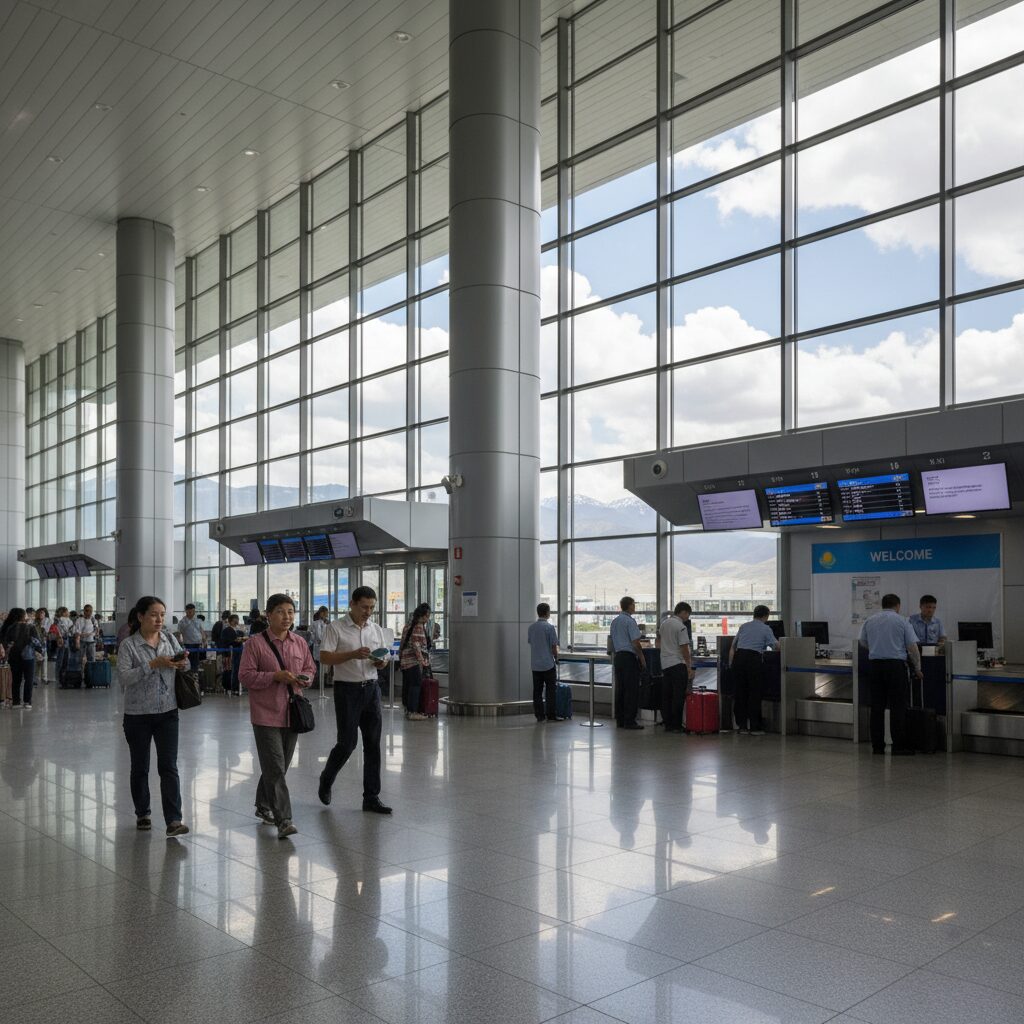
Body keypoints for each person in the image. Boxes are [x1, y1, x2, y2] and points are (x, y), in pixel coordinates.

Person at [237, 593, 315, 839]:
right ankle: (284, 820)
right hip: (265, 714)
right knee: (275, 768)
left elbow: (310, 669)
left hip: (292, 712)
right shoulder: (255, 644)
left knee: (278, 766)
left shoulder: (299, 642)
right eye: (281, 611)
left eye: (291, 611)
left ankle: (263, 804)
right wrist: (274, 676)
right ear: (268, 615)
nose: (287, 616)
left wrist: (304, 678)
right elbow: (246, 676)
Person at [116, 595, 191, 835]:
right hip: (138, 715)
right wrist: (152, 665)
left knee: (169, 766)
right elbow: (124, 677)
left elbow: (186, 666)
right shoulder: (129, 645)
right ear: (140, 617)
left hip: (168, 712)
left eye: (162, 614)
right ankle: (143, 813)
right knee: (140, 766)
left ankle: (174, 820)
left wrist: (181, 663)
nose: (159, 619)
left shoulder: (169, 638)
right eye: (153, 614)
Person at [317, 586, 392, 814]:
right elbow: (324, 657)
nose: (368, 612)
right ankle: (326, 779)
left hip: (371, 689)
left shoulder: (375, 629)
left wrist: (381, 662)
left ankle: (371, 797)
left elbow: (384, 655)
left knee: (372, 744)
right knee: (347, 743)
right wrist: (352, 654)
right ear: (352, 604)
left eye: (371, 608)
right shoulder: (336, 628)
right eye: (364, 607)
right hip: (347, 691)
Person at [860, 593, 922, 756]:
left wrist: (876, 649)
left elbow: (862, 641)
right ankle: (898, 745)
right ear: (898, 606)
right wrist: (917, 667)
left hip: (875, 666)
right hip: (895, 667)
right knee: (897, 707)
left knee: (877, 707)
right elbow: (912, 647)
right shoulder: (902, 621)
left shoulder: (870, 620)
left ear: (883, 604)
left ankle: (877, 746)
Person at [729, 605, 777, 735]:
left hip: (738, 660)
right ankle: (755, 727)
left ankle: (742, 726)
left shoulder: (744, 626)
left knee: (740, 693)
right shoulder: (766, 628)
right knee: (754, 693)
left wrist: (731, 664)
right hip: (753, 660)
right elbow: (776, 646)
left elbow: (733, 645)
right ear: (766, 616)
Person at [610, 596, 645, 730]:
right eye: (633, 604)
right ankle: (630, 720)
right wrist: (642, 658)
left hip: (618, 657)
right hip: (629, 658)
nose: (634, 607)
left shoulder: (615, 621)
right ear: (629, 606)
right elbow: (636, 643)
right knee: (631, 690)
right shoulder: (630, 621)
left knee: (621, 689)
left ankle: (620, 719)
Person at [660, 601, 694, 733]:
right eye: (688, 615)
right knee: (678, 695)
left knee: (667, 695)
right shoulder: (681, 626)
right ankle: (677, 725)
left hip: (665, 664)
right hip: (677, 663)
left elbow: (660, 641)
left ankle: (668, 724)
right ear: (684, 612)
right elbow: (684, 647)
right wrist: (689, 666)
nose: (687, 618)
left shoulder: (664, 624)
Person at [1, 608, 43, 709]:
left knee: (16, 680)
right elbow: (37, 642)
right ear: (23, 616)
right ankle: (27, 702)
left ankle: (16, 702)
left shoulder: (10, 627)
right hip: (28, 656)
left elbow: (6, 642)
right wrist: (39, 650)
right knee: (29, 679)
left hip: (14, 656)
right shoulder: (31, 627)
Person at [527, 602, 560, 723]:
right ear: (547, 613)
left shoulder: (531, 627)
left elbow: (531, 643)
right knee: (551, 691)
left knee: (537, 691)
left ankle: (539, 716)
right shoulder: (550, 628)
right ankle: (551, 715)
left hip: (535, 665)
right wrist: (556, 658)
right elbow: (553, 646)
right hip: (548, 664)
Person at [399, 603, 432, 721]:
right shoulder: (418, 626)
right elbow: (416, 645)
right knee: (415, 685)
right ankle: (413, 712)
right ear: (424, 615)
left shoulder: (407, 626)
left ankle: (408, 709)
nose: (428, 619)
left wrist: (400, 657)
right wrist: (422, 661)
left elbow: (402, 643)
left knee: (408, 685)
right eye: (428, 616)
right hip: (413, 661)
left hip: (404, 660)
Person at [177, 603, 205, 672]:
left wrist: (204, 640)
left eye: (193, 611)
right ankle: (189, 675)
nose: (192, 613)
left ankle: (195, 674)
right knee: (188, 660)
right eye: (190, 611)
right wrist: (179, 642)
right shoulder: (182, 622)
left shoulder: (198, 620)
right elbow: (179, 633)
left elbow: (201, 630)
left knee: (196, 660)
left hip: (198, 643)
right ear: (186, 611)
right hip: (188, 644)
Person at [221, 614, 243, 695]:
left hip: (237, 653)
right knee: (230, 670)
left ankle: (235, 687)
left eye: (237, 620)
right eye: (235, 620)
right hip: (229, 654)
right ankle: (230, 687)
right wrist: (236, 641)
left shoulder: (238, 630)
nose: (237, 622)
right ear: (231, 621)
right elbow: (226, 642)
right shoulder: (226, 630)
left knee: (236, 669)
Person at [308, 605, 329, 684]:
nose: (327, 615)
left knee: (321, 665)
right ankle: (317, 682)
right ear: (322, 613)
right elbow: (317, 635)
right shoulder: (316, 623)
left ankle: (321, 682)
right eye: (326, 613)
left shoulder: (325, 623)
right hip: (318, 646)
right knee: (318, 665)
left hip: (323, 646)